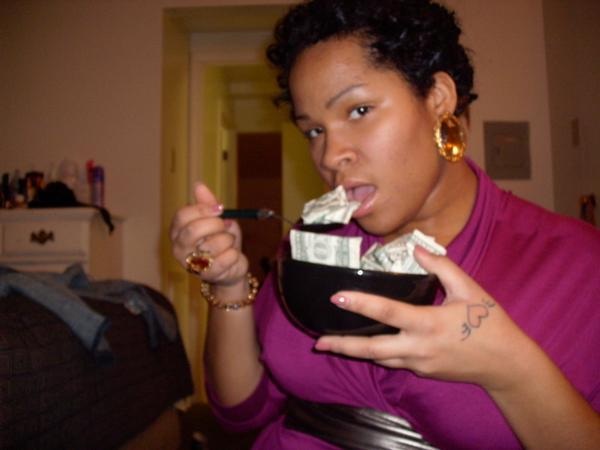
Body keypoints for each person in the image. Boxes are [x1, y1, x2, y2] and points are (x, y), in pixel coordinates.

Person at [169, 0, 600, 448]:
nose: (330, 155)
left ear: (437, 99)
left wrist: (510, 369)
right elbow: (242, 411)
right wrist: (228, 287)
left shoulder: (580, 265)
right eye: (313, 129)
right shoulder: (313, 243)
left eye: (358, 111)